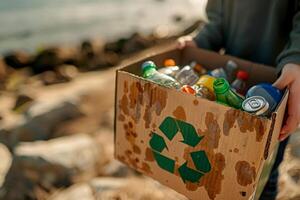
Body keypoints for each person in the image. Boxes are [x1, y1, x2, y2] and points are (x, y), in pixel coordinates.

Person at [178, 0, 300, 199]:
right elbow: (217, 21)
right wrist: (199, 42)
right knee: (217, 169)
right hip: (231, 85)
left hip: (279, 89)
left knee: (264, 178)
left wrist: (296, 57)